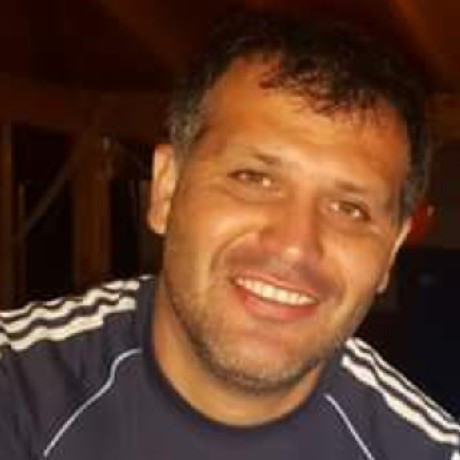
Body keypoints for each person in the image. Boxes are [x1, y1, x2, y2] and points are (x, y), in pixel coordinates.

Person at [1, 12, 459, 460]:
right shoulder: (19, 391)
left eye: (350, 209)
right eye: (253, 178)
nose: (295, 245)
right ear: (166, 190)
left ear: (391, 250)